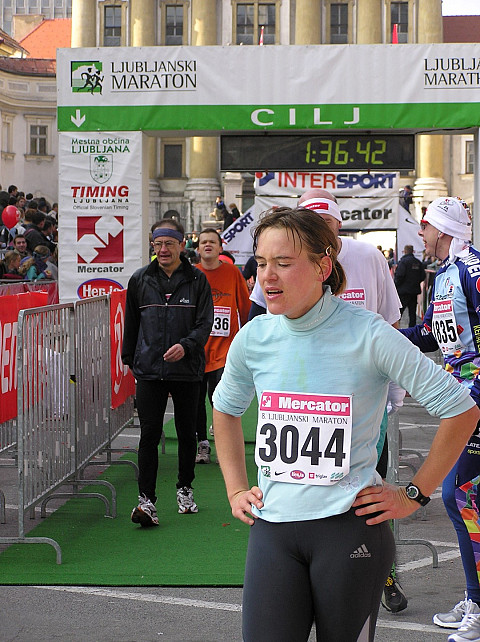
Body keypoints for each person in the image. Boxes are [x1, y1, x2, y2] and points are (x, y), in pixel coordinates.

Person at [212, 205, 479, 642]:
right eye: (261, 263)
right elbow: (225, 409)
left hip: (349, 531)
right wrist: (235, 488)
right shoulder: (254, 338)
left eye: (283, 263)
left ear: (323, 267)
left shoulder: (369, 334)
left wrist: (414, 494)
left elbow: (462, 410)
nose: (267, 277)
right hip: (272, 533)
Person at [400, 197, 480, 642]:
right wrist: (384, 335)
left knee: (458, 496)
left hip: (474, 401)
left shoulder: (472, 269)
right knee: (460, 498)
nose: (420, 234)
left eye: (425, 226)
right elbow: (430, 332)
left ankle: (478, 604)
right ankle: (474, 598)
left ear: (443, 230)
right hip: (459, 400)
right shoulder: (444, 273)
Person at [122, 219, 213, 526]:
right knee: (148, 434)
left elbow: (205, 324)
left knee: (187, 434)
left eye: (169, 244)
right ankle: (146, 501)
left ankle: (185, 489)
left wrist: (186, 346)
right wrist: (129, 360)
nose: (163, 250)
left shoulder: (197, 280)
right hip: (149, 370)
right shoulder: (140, 279)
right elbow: (131, 323)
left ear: (181, 246)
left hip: (187, 369)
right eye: (158, 244)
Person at [194, 228, 250, 464]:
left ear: (220, 247)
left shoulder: (232, 272)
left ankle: (223, 444)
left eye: (212, 242)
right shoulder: (193, 274)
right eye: (203, 242)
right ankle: (202, 444)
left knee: (219, 397)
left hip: (225, 349)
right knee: (197, 400)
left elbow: (244, 306)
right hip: (197, 348)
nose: (208, 245)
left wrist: (248, 336)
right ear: (198, 248)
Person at [394, 244, 426, 327]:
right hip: (414, 291)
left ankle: (396, 330)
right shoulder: (418, 262)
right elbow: (423, 276)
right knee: (412, 314)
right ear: (413, 251)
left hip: (403, 291)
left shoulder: (403, 262)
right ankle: (412, 330)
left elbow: (399, 276)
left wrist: (396, 286)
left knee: (399, 313)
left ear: (404, 251)